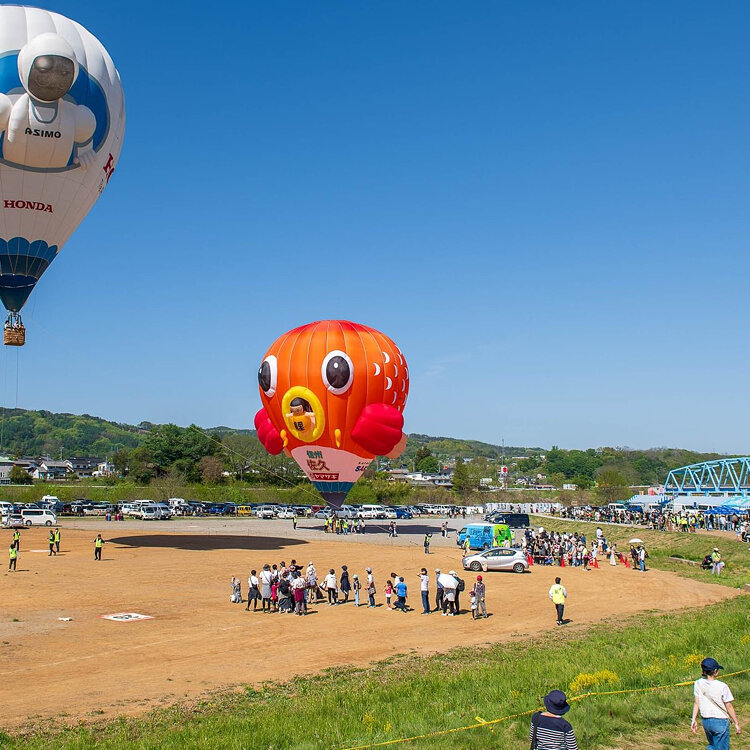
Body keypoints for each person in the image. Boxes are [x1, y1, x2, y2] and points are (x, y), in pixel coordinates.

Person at [691, 657, 740, 749]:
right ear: (715, 671)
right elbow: (728, 705)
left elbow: (696, 703)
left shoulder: (698, 683)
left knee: (712, 745)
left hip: (706, 720)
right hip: (720, 720)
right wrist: (736, 722)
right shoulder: (722, 686)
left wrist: (693, 720)